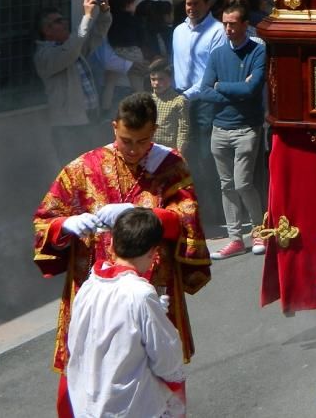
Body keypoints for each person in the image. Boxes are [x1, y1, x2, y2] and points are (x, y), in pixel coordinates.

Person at [32, 92, 210, 417]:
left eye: (142, 141)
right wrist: (66, 225)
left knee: (154, 366)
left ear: (154, 132)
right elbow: (44, 221)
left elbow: (188, 217)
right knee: (86, 369)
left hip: (150, 291)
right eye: (126, 140)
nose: (133, 150)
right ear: (114, 127)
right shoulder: (82, 169)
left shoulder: (170, 166)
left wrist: (143, 214)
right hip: (92, 292)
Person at [65, 208, 187, 418]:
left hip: (88, 402)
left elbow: (77, 341)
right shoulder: (140, 294)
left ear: (111, 244)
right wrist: (156, 316)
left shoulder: (88, 285)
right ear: (152, 252)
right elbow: (166, 358)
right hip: (128, 405)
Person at [199, 0, 268, 258]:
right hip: (220, 127)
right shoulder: (217, 54)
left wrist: (222, 87)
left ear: (245, 25)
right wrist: (232, 91)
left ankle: (259, 231)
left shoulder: (258, 50)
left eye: (232, 24)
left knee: (242, 184)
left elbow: (253, 89)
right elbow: (205, 91)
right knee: (226, 186)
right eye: (225, 23)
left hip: (246, 128)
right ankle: (235, 238)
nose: (228, 28)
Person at [35, 0, 113, 165]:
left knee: (93, 171)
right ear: (46, 30)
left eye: (62, 19)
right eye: (57, 21)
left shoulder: (72, 49)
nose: (64, 23)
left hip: (89, 119)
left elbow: (96, 35)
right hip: (68, 127)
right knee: (74, 173)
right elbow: (72, 49)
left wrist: (104, 11)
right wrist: (86, 16)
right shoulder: (46, 55)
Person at [172, 0, 226, 223]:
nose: (190, 8)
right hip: (180, 98)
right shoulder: (178, 31)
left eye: (195, 3)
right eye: (187, 3)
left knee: (205, 157)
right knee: (182, 157)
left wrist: (187, 96)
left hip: (203, 101)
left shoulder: (217, 31)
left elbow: (210, 73)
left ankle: (213, 213)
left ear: (206, 4)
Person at [149, 58, 190, 153]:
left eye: (161, 79)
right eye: (153, 79)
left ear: (170, 79)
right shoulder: (148, 99)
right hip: (149, 148)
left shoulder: (179, 101)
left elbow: (183, 129)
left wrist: (179, 152)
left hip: (168, 150)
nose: (156, 83)